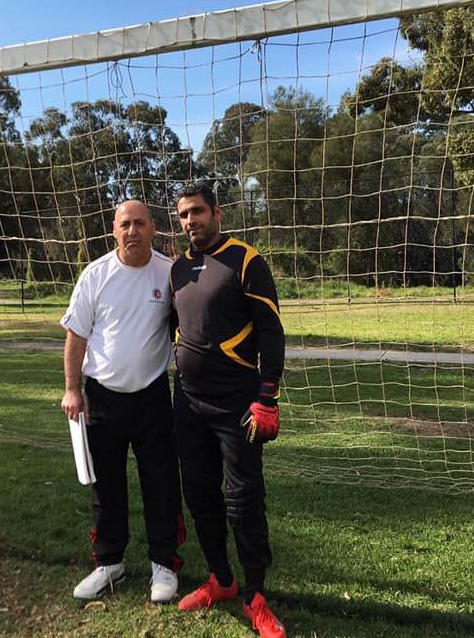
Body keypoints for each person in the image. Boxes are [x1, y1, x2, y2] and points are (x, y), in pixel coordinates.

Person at [170, 182, 287, 638]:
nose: (190, 221)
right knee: (200, 495)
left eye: (197, 211)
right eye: (183, 215)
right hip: (188, 402)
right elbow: (176, 329)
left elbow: (271, 331)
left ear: (217, 212)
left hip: (237, 404)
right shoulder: (177, 268)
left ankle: (255, 595)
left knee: (243, 501)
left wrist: (267, 396)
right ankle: (221, 579)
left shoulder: (247, 260)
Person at [60, 199, 184, 604]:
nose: (133, 231)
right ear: (114, 230)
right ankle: (109, 562)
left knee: (161, 483)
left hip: (152, 397)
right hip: (102, 399)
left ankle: (163, 564)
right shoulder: (95, 275)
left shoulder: (168, 273)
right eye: (125, 224)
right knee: (106, 485)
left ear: (153, 228)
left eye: (140, 224)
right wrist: (72, 389)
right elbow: (76, 336)